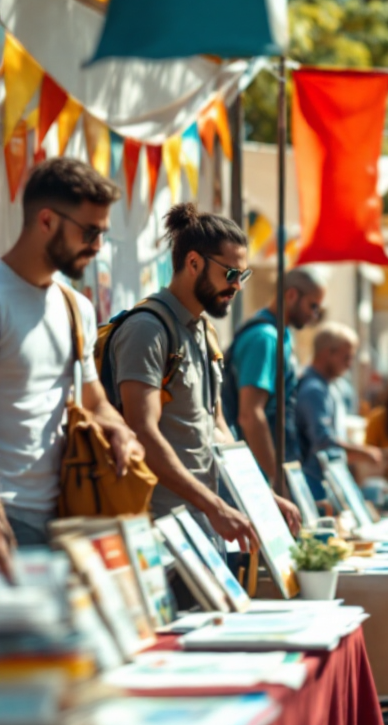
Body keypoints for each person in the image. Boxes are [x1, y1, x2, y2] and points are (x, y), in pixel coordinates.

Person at [110, 204, 300, 549]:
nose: (237, 286)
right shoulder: (147, 330)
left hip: (206, 529)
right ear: (194, 263)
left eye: (243, 276)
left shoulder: (205, 332)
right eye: (231, 274)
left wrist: (262, 496)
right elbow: (142, 433)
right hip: (159, 532)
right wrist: (214, 506)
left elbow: (219, 430)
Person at [0, 158, 143, 545]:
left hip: (71, 515)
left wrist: (119, 431)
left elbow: (93, 400)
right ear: (46, 220)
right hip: (9, 520)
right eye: (90, 232)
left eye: (102, 234)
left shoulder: (75, 307)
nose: (98, 247)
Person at [221, 267, 326, 481]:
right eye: (312, 306)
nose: (314, 315)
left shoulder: (282, 334)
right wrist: (276, 478)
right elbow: (251, 415)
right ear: (292, 295)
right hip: (254, 472)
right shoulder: (265, 338)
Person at [296, 323, 382, 499]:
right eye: (346, 357)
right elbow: (322, 440)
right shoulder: (314, 389)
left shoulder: (329, 386)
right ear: (328, 353)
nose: (349, 365)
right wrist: (364, 452)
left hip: (325, 480)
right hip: (314, 483)